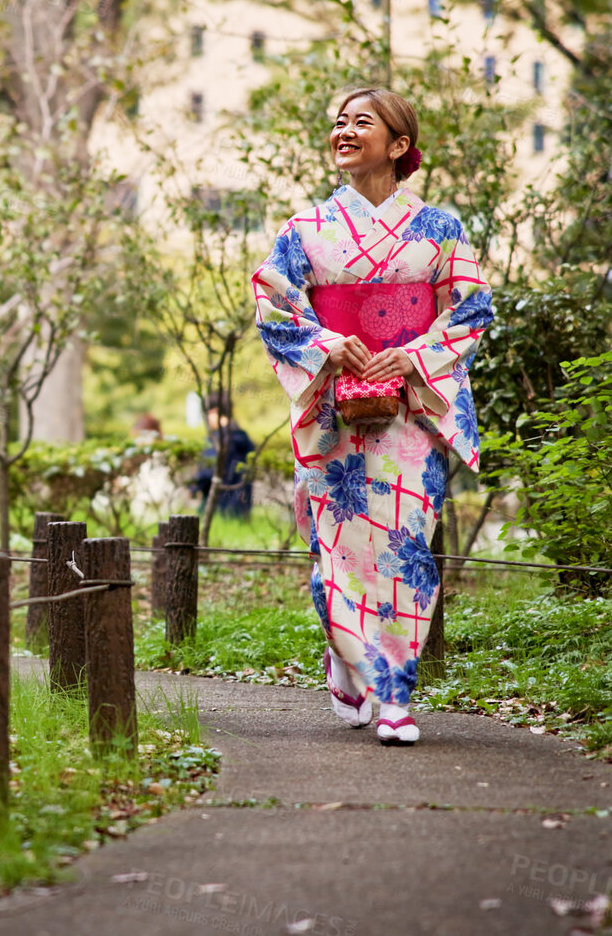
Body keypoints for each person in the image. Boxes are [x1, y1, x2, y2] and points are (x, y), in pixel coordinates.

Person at [249, 87, 493, 745]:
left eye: (361, 122)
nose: (343, 131)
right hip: (334, 409)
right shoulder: (304, 229)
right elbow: (271, 303)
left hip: (410, 411)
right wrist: (329, 344)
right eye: (337, 122)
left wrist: (411, 356)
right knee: (336, 551)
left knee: (405, 546)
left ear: (398, 144)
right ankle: (348, 659)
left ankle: (393, 693)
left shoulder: (439, 228)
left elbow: (470, 308)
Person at [190, 396, 255, 518]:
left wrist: (193, 487)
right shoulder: (244, 438)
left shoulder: (216, 440)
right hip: (241, 508)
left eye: (207, 414)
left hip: (216, 508)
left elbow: (207, 472)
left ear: (215, 411)